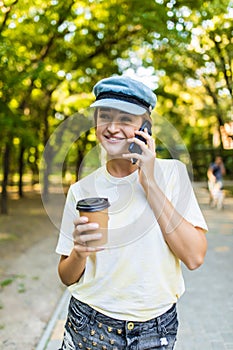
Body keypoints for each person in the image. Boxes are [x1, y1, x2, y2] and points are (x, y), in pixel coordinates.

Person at [56, 75, 208, 350]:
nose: (112, 127)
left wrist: (149, 182)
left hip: (156, 331)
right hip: (89, 325)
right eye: (105, 116)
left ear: (145, 126)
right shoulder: (81, 190)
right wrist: (79, 251)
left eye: (125, 119)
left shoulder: (172, 174)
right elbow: (67, 276)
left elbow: (194, 256)